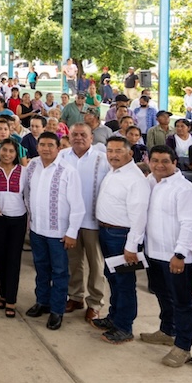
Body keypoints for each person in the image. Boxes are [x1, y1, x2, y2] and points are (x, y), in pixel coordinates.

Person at [140, 145, 192, 367]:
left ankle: (183, 346)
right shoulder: (150, 183)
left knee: (182, 302)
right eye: (155, 160)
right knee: (163, 295)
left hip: (175, 257)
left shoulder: (184, 189)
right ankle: (167, 331)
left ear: (175, 162)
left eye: (165, 161)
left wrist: (180, 254)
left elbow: (189, 224)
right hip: (153, 253)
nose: (159, 165)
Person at [92, 136, 151, 344]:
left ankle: (124, 327)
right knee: (113, 278)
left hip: (123, 236)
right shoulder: (114, 171)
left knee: (124, 283)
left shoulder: (135, 179)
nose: (113, 155)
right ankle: (114, 317)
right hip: (108, 233)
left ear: (130, 153)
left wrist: (132, 246)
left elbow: (139, 216)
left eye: (118, 151)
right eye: (110, 151)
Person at [24, 132, 84, 331]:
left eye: (51, 145)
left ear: (59, 148)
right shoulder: (32, 165)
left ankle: (57, 310)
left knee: (59, 272)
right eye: (42, 144)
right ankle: (42, 302)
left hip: (59, 233)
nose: (46, 148)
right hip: (37, 229)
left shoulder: (68, 170)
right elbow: (27, 193)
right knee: (41, 268)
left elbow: (77, 205)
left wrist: (72, 232)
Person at [60, 123, 110, 323]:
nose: (79, 138)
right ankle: (75, 297)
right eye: (75, 134)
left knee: (96, 263)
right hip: (69, 221)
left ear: (92, 138)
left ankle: (95, 302)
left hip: (93, 220)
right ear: (69, 136)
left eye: (83, 135)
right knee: (73, 261)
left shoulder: (102, 159)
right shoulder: (62, 156)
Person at [0, 139, 27, 318]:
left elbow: (28, 195)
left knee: (13, 259)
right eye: (4, 150)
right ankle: (3, 294)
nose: (7, 154)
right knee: (1, 258)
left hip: (18, 220)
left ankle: (11, 298)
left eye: (11, 151)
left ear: (16, 153)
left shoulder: (24, 171)